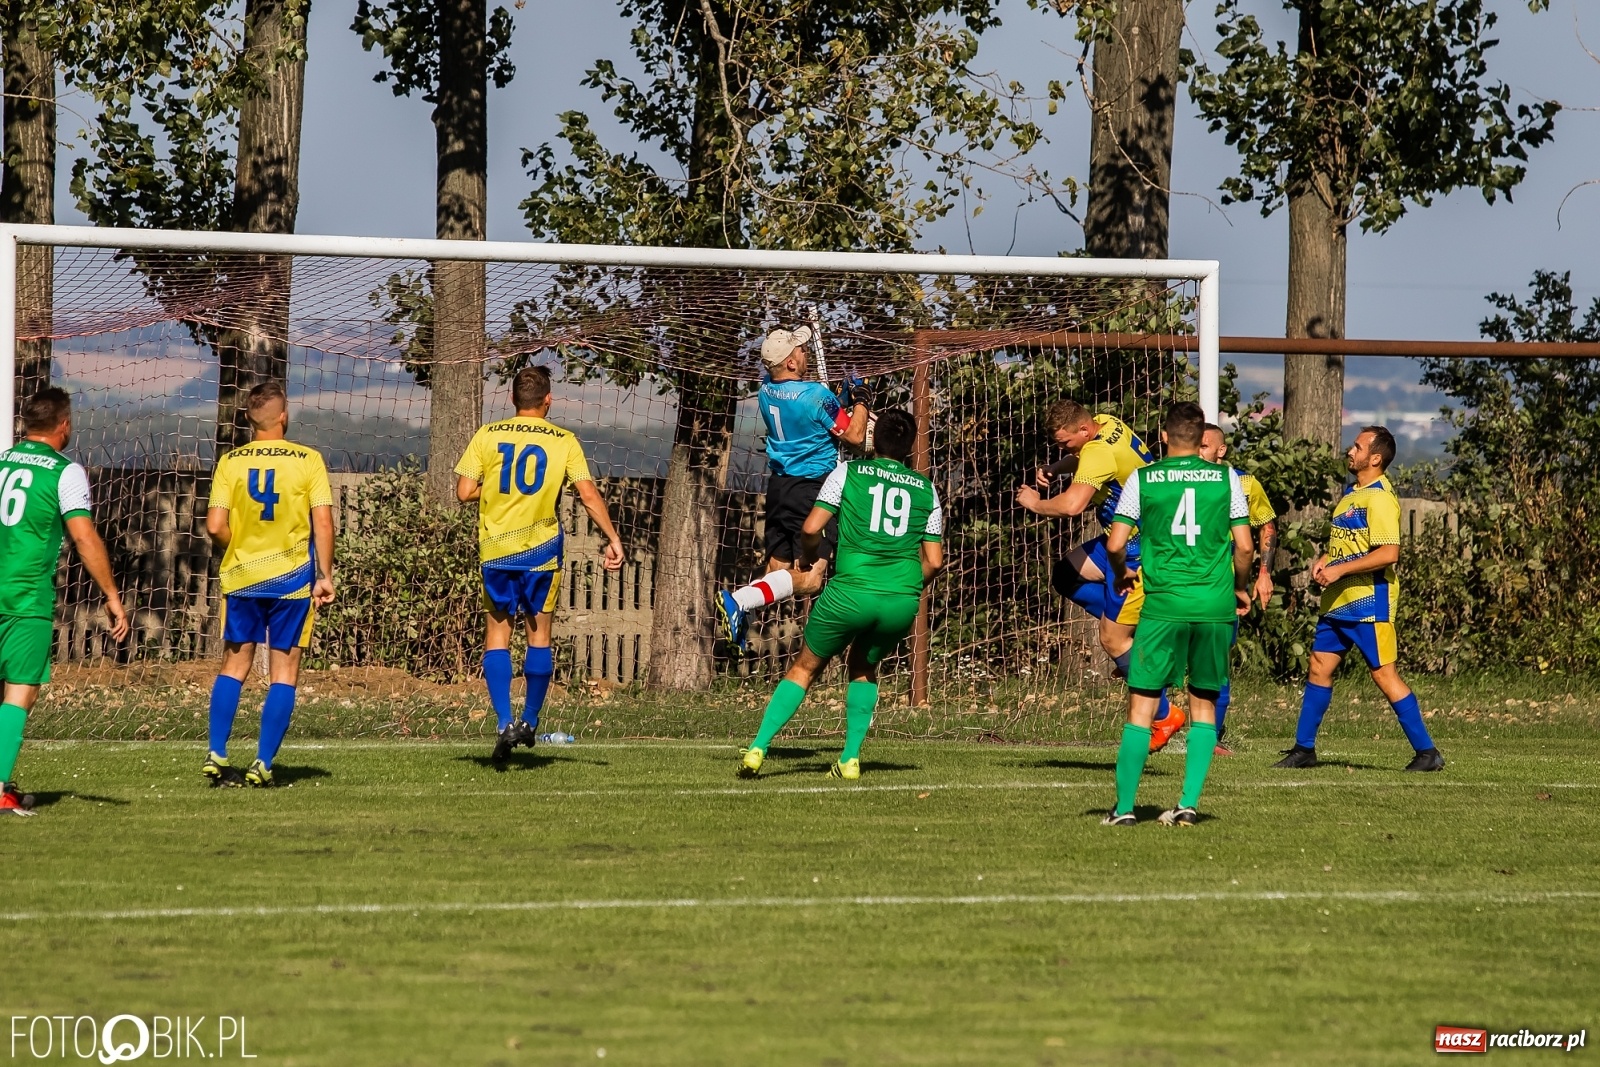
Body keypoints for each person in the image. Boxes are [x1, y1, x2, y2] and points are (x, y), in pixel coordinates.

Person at [737, 409, 943, 781]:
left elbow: (811, 528)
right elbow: (934, 561)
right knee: (864, 668)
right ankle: (849, 759)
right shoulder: (926, 489)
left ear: (873, 439)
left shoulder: (848, 472)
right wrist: (907, 587)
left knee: (805, 667)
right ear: (910, 447)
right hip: (900, 601)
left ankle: (758, 749)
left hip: (850, 593)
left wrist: (809, 556)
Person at [455, 366, 624, 761]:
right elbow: (588, 495)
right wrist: (612, 538)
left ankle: (503, 723)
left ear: (512, 399)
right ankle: (529, 722)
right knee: (539, 637)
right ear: (548, 400)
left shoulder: (487, 435)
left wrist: (497, 487)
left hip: (496, 550)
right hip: (541, 553)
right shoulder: (563, 441)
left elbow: (463, 491)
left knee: (497, 636)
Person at [1100, 401, 1254, 827]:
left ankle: (1124, 809)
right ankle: (1187, 805)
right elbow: (1244, 546)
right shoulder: (1226, 478)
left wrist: (1121, 573)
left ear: (1164, 436)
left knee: (1142, 707)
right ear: (1202, 438)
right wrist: (1239, 587)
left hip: (1163, 606)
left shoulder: (1143, 478)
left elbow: (1115, 544)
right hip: (1213, 605)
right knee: (1204, 704)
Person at [1274, 426, 1444, 772]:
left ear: (1375, 458)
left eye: (1357, 447)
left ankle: (1427, 753)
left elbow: (1388, 553)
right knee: (1318, 666)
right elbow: (1350, 543)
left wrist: (1340, 570)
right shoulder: (1352, 493)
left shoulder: (1380, 497)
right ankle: (1304, 749)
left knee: (1384, 675)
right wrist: (1326, 559)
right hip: (1339, 602)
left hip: (1369, 602)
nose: (1350, 451)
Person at [0, 388, 130, 815]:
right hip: (25, 597)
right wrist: (111, 595)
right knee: (20, 689)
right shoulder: (64, 471)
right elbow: (83, 536)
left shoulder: (2, 462)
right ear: (64, 424)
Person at [203, 381, 335, 787]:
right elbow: (323, 523)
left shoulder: (231, 462)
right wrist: (325, 575)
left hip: (242, 577)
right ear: (283, 416)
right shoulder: (308, 460)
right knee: (284, 671)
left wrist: (240, 548)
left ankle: (217, 753)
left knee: (234, 665)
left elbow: (215, 526)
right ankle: (262, 764)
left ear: (248, 418)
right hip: (291, 581)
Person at [716, 325, 870, 651]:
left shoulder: (766, 389)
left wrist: (838, 401)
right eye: (800, 349)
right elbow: (855, 437)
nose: (805, 352)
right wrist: (860, 400)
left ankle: (742, 613)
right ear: (789, 362)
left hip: (779, 487)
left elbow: (810, 415)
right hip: (812, 490)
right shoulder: (815, 396)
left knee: (778, 568)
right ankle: (740, 600)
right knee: (811, 579)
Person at [1145, 422, 1279, 754]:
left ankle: (1211, 736)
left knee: (1214, 662)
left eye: (1205, 446)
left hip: (1220, 588)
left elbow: (1266, 527)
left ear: (1221, 450)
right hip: (1175, 583)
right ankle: (1160, 716)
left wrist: (1263, 573)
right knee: (1158, 654)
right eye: (1196, 444)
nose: (1198, 450)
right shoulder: (1174, 479)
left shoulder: (1243, 483)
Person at [1015, 399, 1154, 677]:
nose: (1062, 448)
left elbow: (1072, 506)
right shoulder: (1107, 423)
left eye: (1065, 443)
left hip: (1135, 547)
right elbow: (1084, 457)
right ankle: (1132, 626)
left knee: (1111, 639)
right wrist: (1057, 467)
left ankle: (1158, 695)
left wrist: (1034, 503)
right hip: (1126, 536)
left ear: (1083, 430)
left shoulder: (1097, 452)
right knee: (1066, 575)